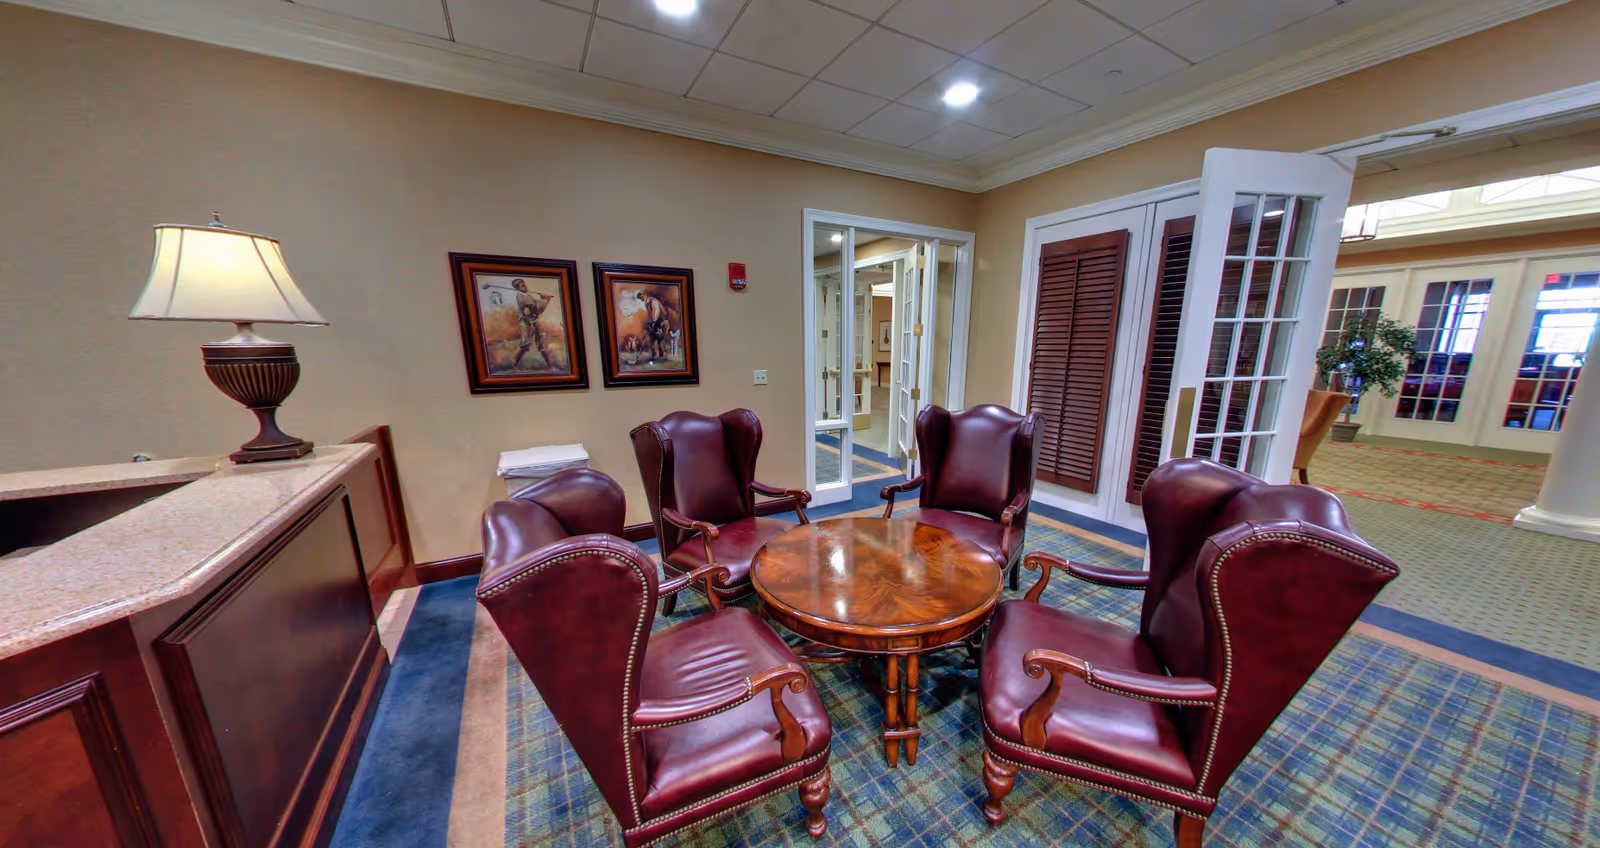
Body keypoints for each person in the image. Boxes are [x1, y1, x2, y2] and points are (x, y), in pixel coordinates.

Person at [510, 279, 555, 369]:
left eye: (525, 284)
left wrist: (542, 298)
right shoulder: (522, 297)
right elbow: (537, 309)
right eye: (522, 286)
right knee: (525, 344)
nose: (525, 287)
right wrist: (545, 301)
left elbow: (536, 303)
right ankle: (513, 365)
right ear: (517, 288)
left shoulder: (526, 295)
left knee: (541, 344)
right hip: (527, 323)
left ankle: (551, 366)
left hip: (534, 321)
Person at [635, 289, 671, 362]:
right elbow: (650, 315)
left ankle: (663, 356)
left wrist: (653, 322)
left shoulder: (653, 301)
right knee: (652, 338)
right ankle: (655, 355)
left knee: (660, 339)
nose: (641, 299)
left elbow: (656, 312)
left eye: (642, 297)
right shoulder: (646, 303)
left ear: (645, 295)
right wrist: (650, 322)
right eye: (640, 299)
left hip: (662, 322)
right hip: (655, 322)